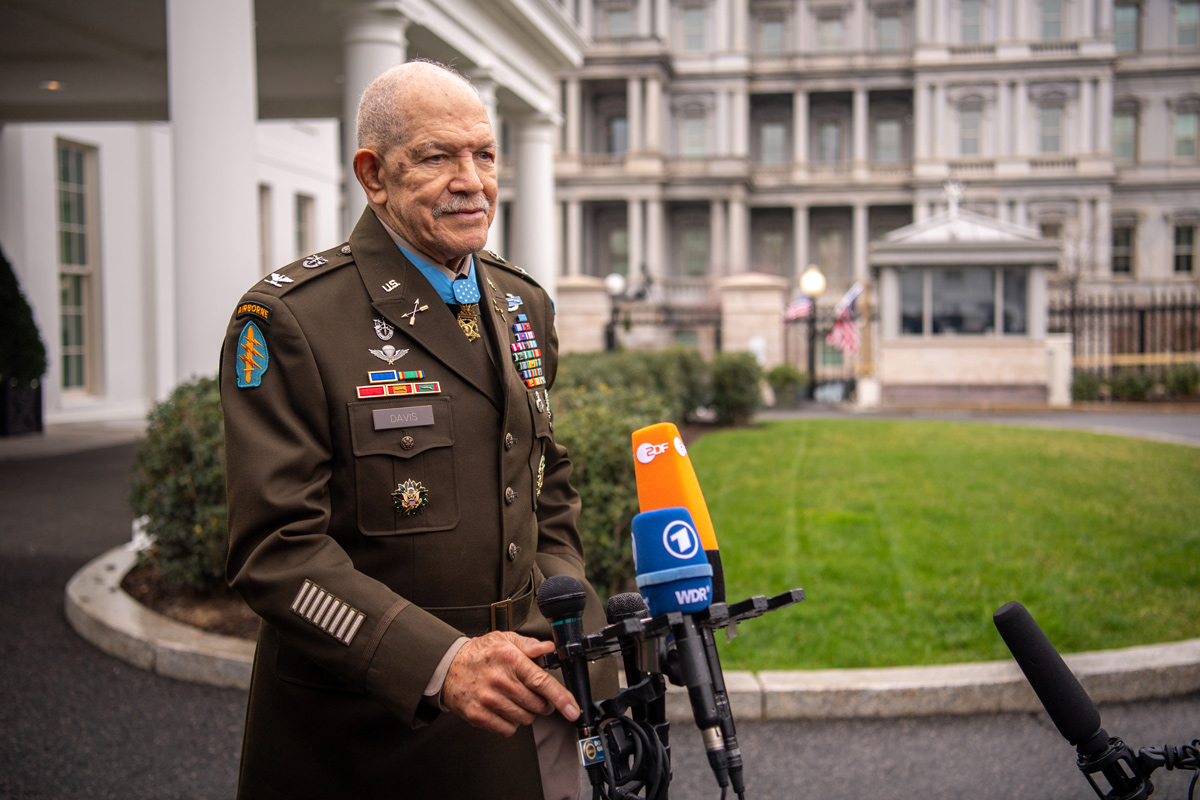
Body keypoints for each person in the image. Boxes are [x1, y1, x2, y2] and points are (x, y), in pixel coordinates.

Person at [220, 60, 614, 799]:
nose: (473, 180)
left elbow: (544, 479)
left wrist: (562, 607)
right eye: (437, 157)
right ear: (373, 175)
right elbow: (275, 550)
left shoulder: (522, 304)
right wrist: (439, 662)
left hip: (521, 706)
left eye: (484, 154)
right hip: (367, 732)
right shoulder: (294, 320)